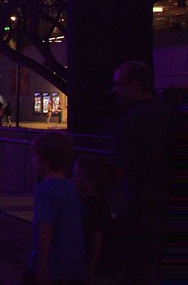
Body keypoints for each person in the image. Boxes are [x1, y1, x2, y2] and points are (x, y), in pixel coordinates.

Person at [110, 60, 172, 284]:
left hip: (138, 207)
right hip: (163, 205)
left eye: (118, 84)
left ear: (134, 85)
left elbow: (118, 170)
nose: (114, 90)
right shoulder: (165, 114)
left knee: (133, 269)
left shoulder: (131, 121)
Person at [23, 132, 86, 285]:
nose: (33, 160)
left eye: (35, 156)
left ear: (45, 161)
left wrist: (42, 264)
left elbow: (46, 228)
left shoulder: (44, 189)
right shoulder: (72, 187)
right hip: (72, 263)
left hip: (52, 262)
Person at [73, 155, 114, 284]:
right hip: (99, 266)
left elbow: (96, 239)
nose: (73, 179)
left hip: (96, 268)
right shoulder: (99, 203)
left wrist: (90, 269)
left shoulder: (93, 206)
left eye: (77, 175)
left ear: (91, 181)